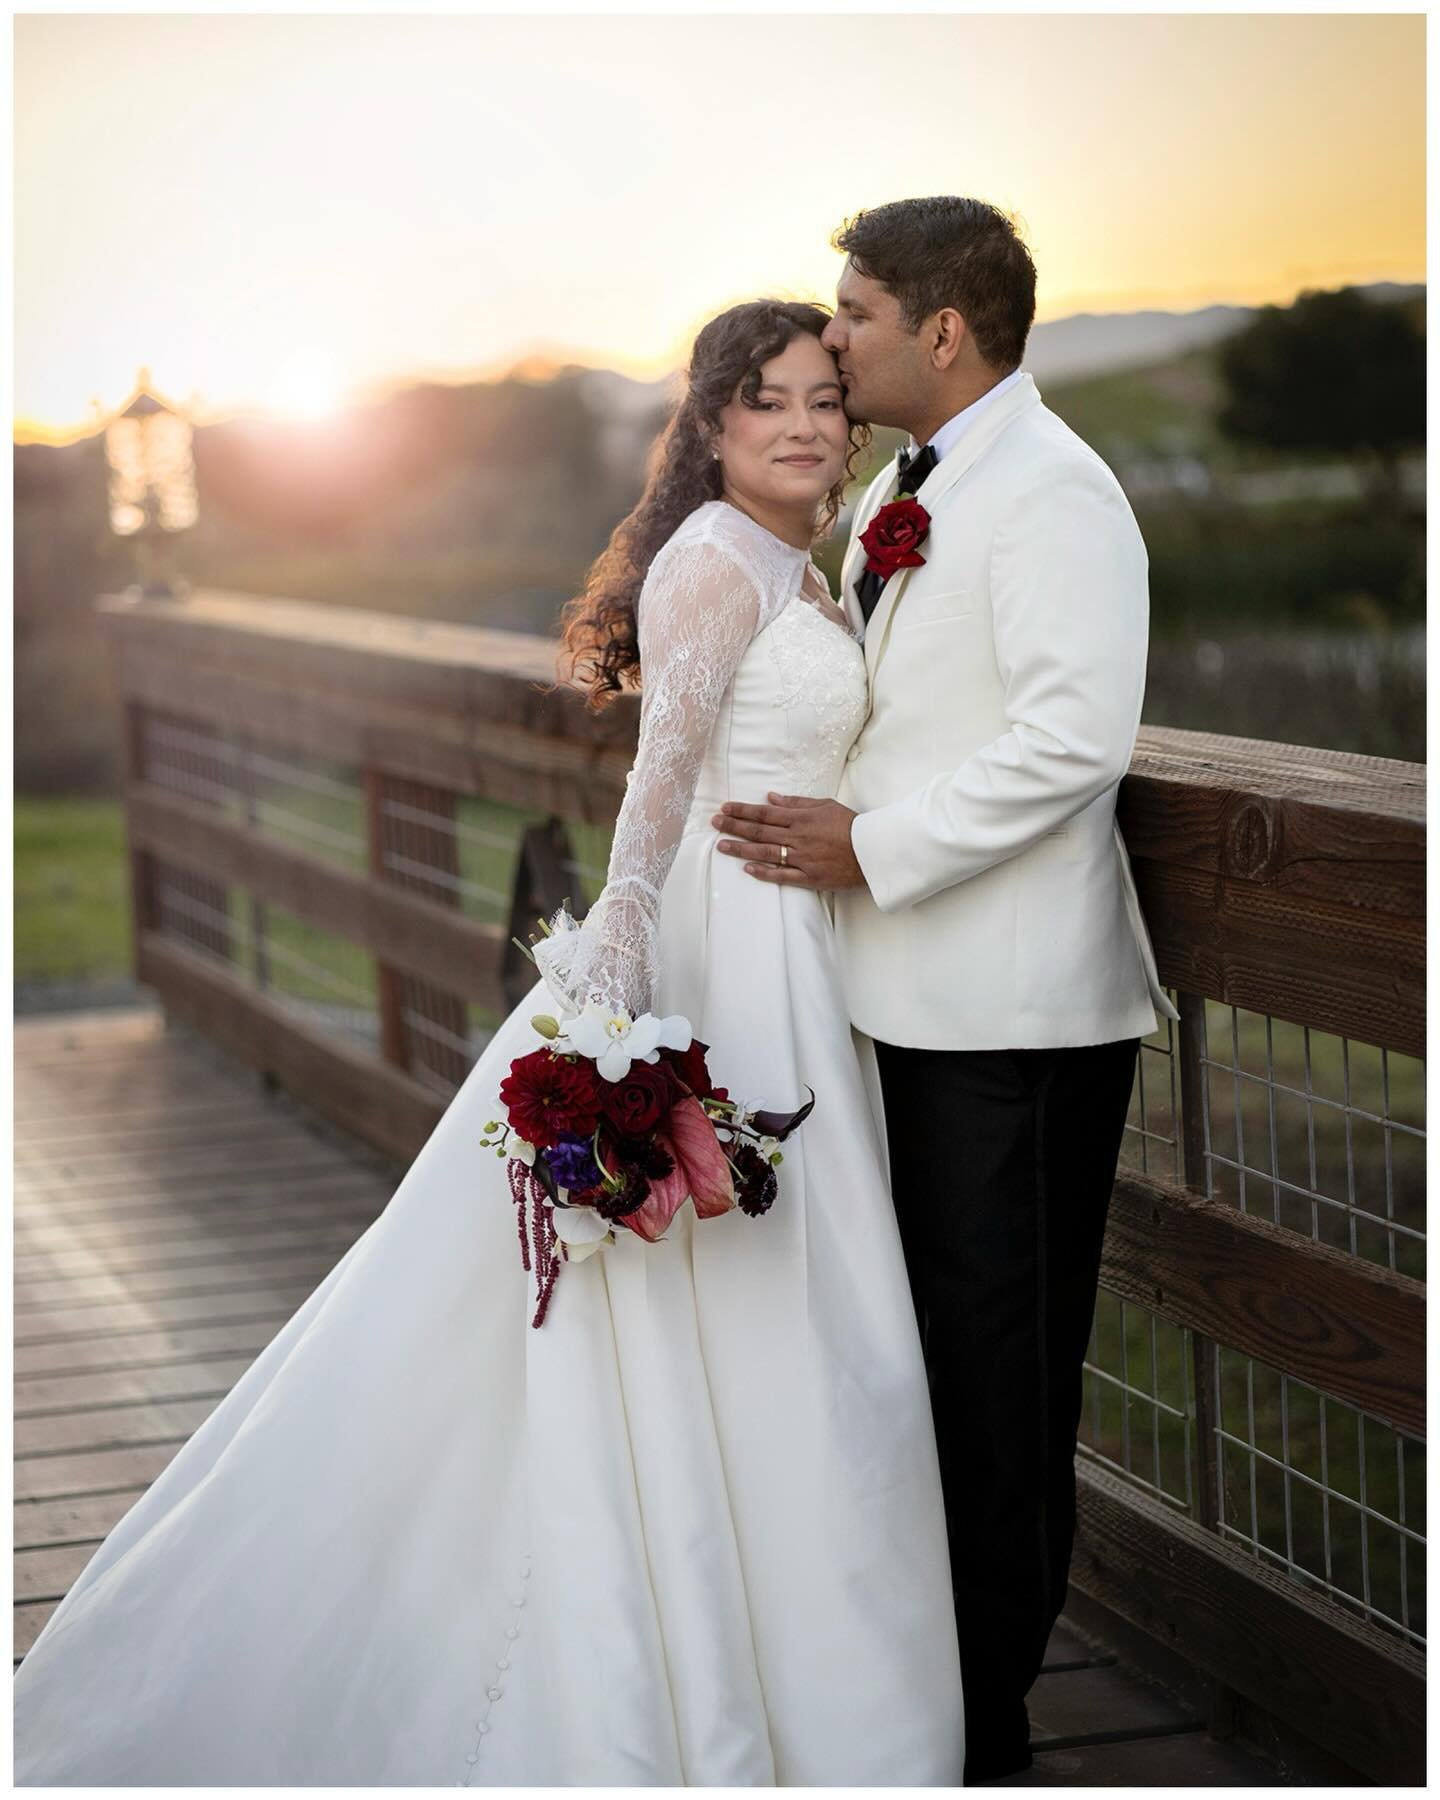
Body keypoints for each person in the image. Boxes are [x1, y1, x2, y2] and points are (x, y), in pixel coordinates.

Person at [12, 301, 968, 1786]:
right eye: (767, 400)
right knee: (756, 1298)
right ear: (710, 426)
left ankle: (790, 1646)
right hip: (724, 957)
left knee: (782, 1307)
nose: (805, 425)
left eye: (828, 401)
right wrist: (621, 999)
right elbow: (657, 787)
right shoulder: (718, 562)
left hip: (801, 952)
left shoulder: (807, 560)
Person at [713, 196, 1180, 1784]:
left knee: (1001, 1393)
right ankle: (928, 1707)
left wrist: (872, 850)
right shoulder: (911, 487)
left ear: (942, 330)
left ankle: (990, 1737)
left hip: (1015, 1026)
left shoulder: (1054, 494)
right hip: (901, 1010)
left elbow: (1072, 744)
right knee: (921, 1376)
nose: (828, 340)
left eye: (850, 315)